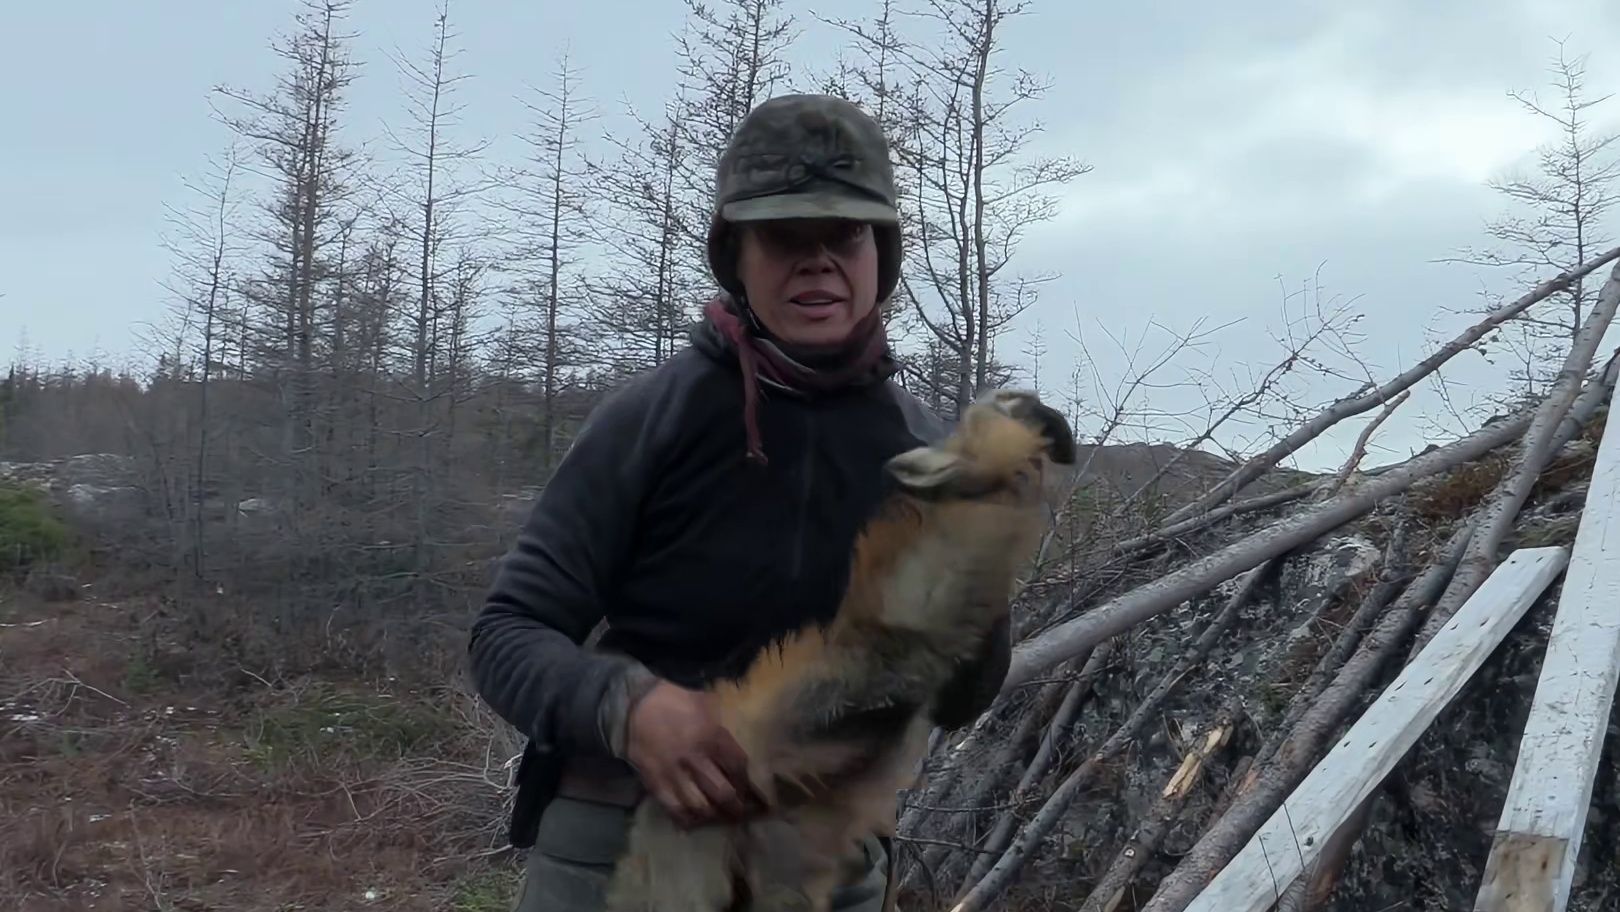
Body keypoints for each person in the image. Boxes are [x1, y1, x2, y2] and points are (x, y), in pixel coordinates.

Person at [467, 92, 1011, 912]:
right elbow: (505, 634)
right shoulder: (654, 418)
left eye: (846, 234)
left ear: (881, 254)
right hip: (619, 859)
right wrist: (627, 709)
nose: (819, 259)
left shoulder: (927, 458)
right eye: (787, 235)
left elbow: (963, 695)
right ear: (737, 253)